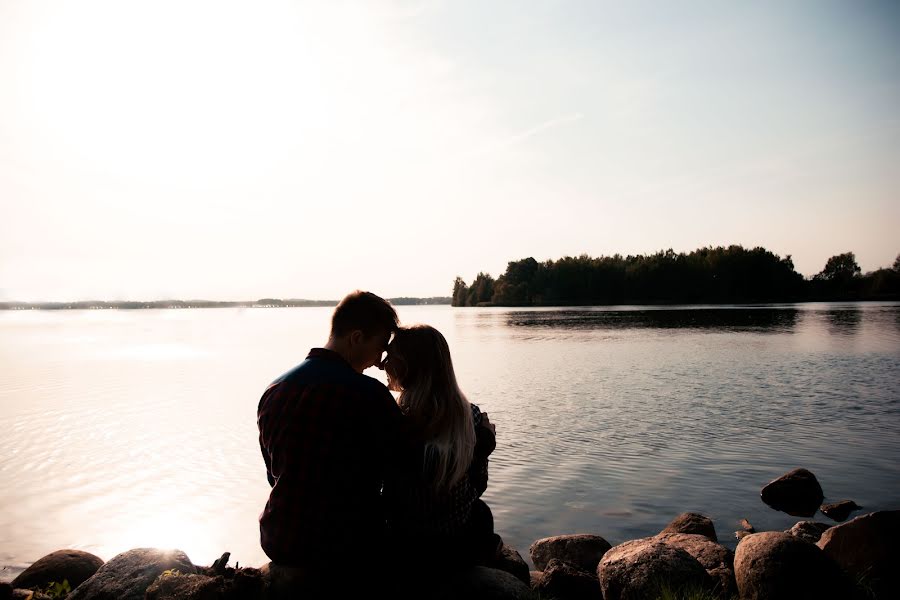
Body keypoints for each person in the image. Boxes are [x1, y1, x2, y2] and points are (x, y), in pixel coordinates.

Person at [256, 290, 404, 595]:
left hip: (281, 537)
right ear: (356, 337)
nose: (379, 363)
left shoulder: (274, 390)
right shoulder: (368, 395)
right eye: (379, 348)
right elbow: (402, 472)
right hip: (346, 543)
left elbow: (275, 474)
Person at [380, 324, 501, 572]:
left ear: (406, 364)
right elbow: (478, 486)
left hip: (404, 543)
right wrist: (480, 446)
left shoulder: (393, 417)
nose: (382, 364)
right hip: (454, 544)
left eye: (389, 356)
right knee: (480, 513)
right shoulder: (471, 416)